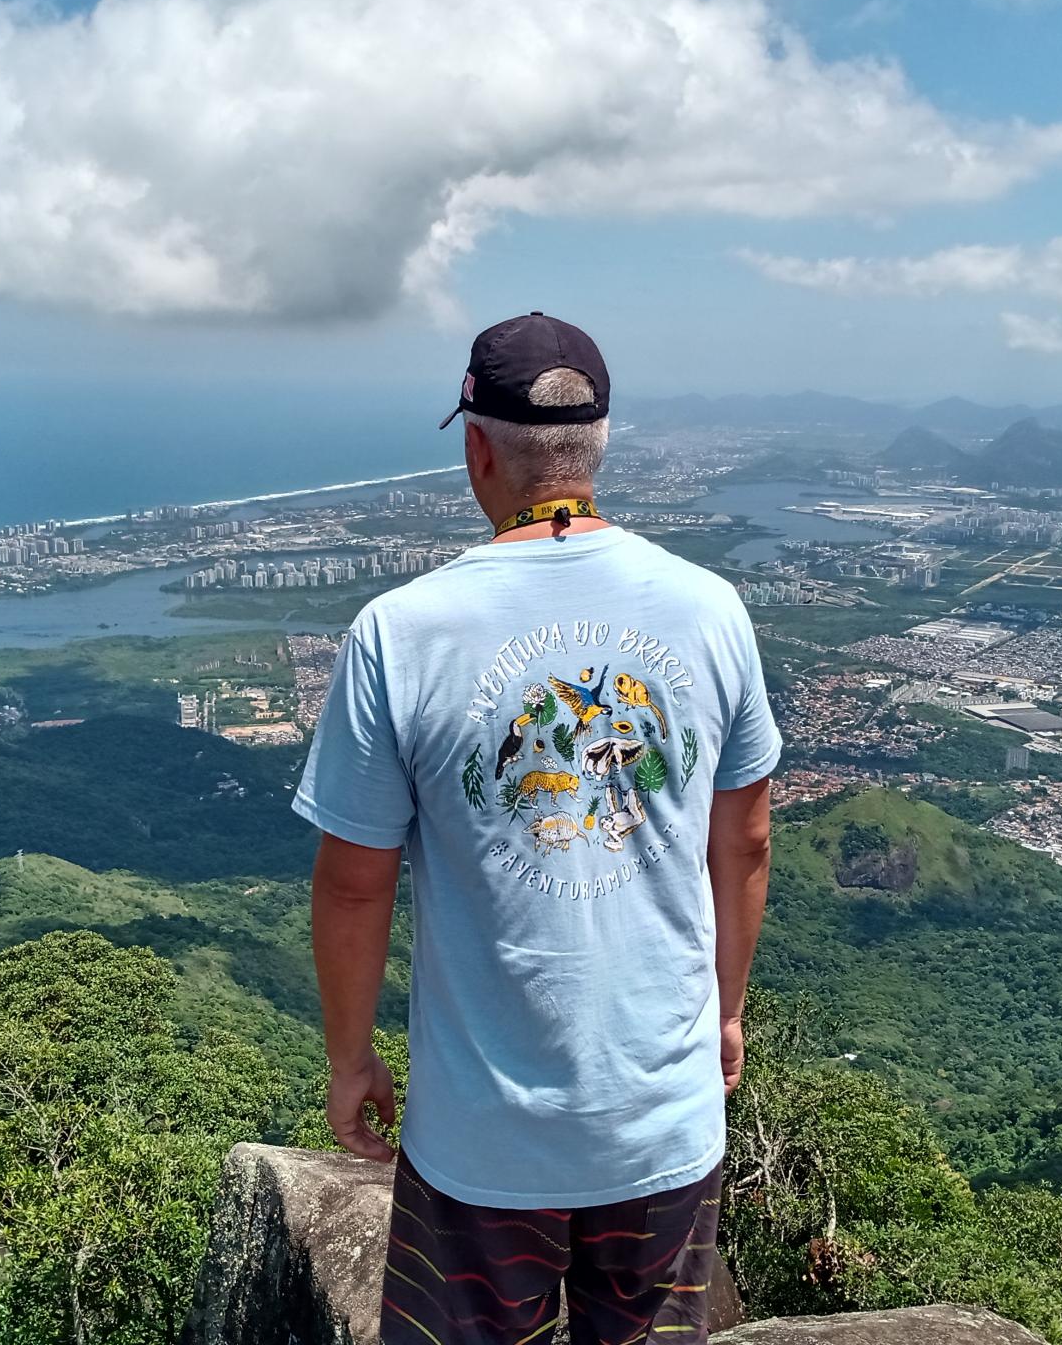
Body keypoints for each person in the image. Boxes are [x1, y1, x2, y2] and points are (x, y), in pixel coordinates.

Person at [294, 312, 781, 1345]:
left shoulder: (399, 633)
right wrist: (725, 1013)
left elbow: (351, 885)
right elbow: (744, 842)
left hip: (483, 1145)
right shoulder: (711, 609)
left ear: (477, 448)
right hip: (661, 1121)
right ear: (599, 444)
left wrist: (352, 1061)